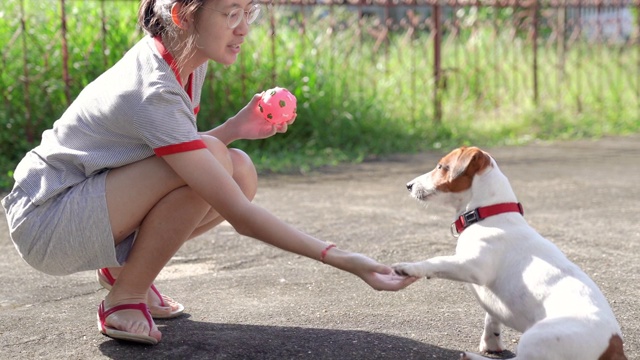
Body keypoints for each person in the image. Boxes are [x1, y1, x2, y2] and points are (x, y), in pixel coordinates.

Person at [1, 0, 416, 345]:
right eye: (229, 13)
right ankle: (124, 297)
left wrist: (234, 129)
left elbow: (173, 158)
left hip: (82, 202)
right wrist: (342, 258)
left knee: (238, 168)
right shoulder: (153, 87)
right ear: (183, 15)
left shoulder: (186, 60)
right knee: (218, 163)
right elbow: (235, 210)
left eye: (248, 13)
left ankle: (124, 271)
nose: (242, 29)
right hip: (47, 218)